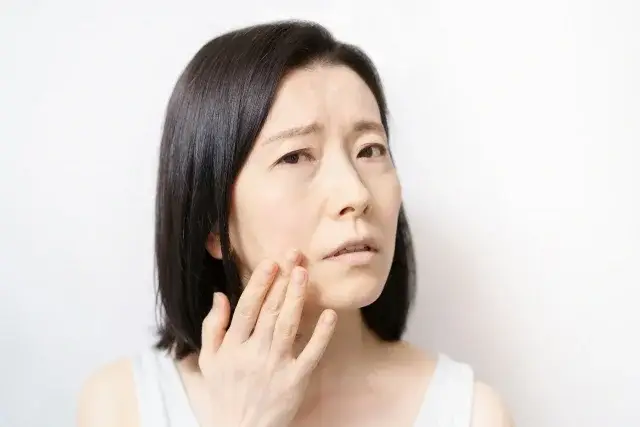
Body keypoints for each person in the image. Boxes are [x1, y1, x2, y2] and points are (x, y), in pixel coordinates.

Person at [77, 20, 514, 427]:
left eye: (370, 150)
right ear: (213, 225)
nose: (356, 194)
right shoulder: (125, 405)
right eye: (296, 156)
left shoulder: (469, 412)